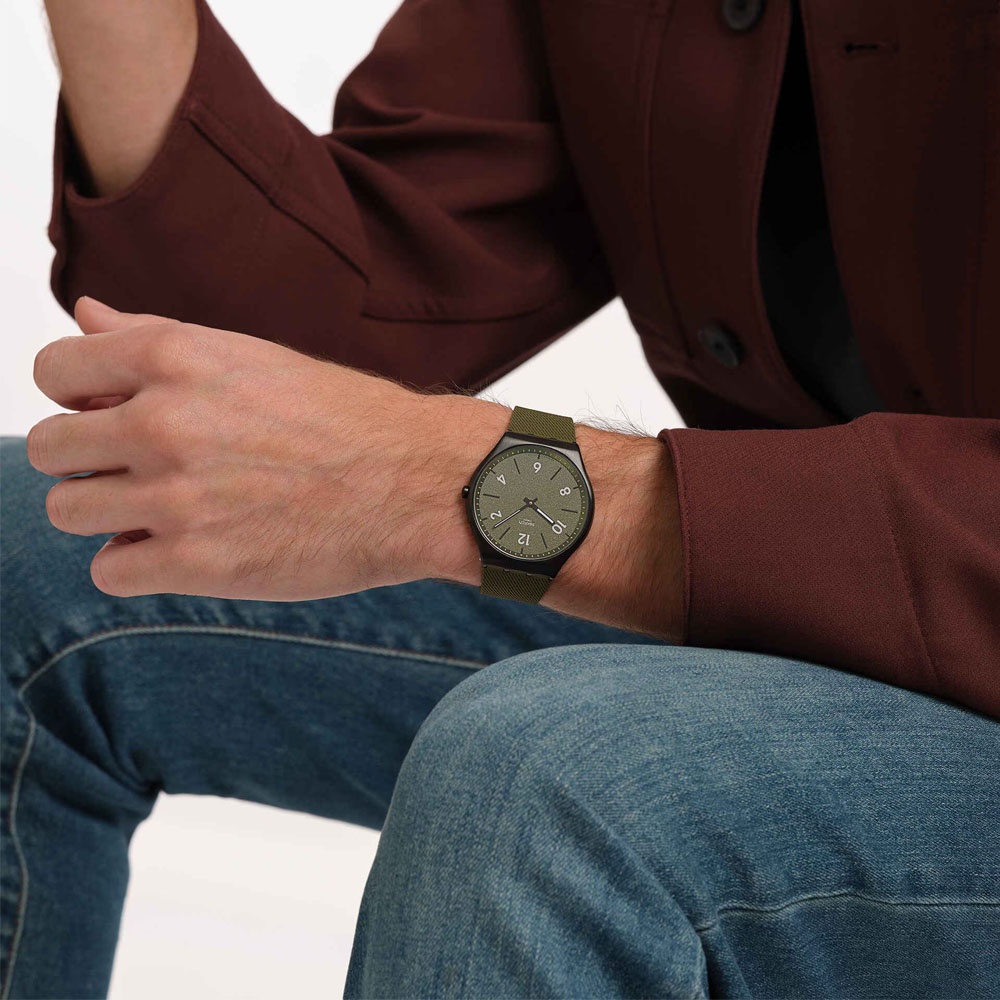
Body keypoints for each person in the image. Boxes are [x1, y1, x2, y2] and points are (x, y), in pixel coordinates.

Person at [2, 0, 997, 996]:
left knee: (556, 774)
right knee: (39, 542)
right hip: (798, 621)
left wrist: (434, 478)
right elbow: (245, 369)